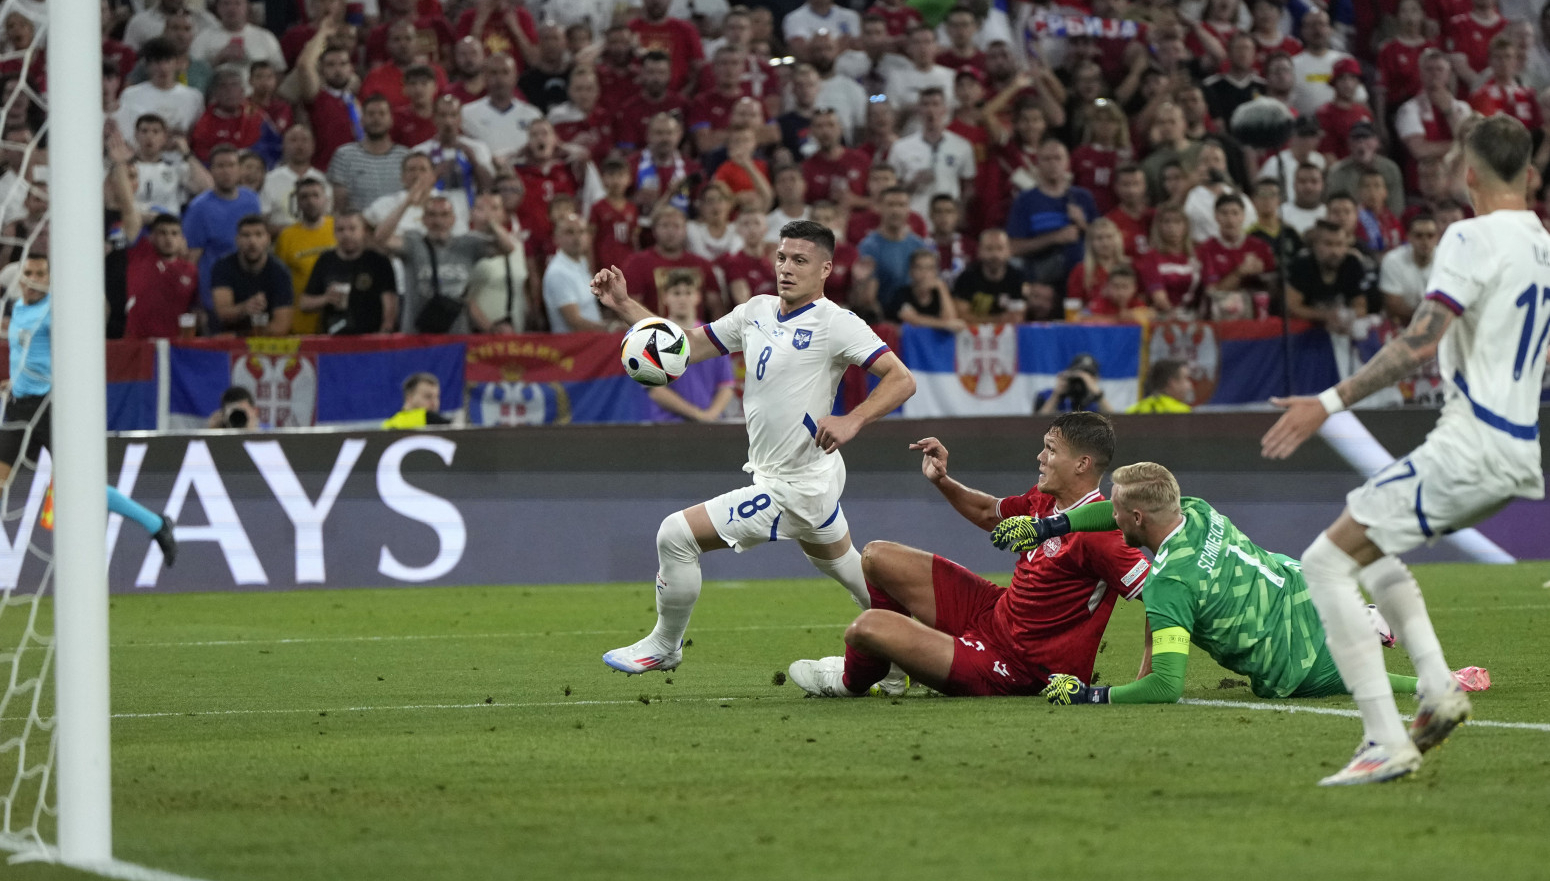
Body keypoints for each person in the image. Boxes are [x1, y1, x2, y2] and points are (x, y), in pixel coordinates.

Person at [1261, 114, 1548, 785]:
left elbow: (1420, 339)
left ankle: (1383, 739)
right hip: (1515, 447)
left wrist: (1326, 403)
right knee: (1368, 540)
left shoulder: (1470, 236)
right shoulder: (1538, 241)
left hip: (1471, 442)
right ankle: (1438, 687)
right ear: (1527, 173)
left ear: (1469, 172)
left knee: (1324, 560)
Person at [590, 220, 918, 678]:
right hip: (803, 473)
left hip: (795, 484)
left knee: (675, 535)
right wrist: (626, 306)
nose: (786, 268)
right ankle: (915, 651)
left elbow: (902, 379)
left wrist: (853, 418)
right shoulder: (756, 311)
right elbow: (683, 348)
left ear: (825, 269)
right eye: (782, 257)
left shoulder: (836, 323)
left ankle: (665, 645)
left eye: (800, 261)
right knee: (846, 566)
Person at [988, 463, 1488, 706]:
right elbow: (1118, 511)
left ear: (1137, 516)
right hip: (1305, 592)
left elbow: (1165, 686)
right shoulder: (1199, 510)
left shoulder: (1167, 586)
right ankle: (1368, 620)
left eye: (1116, 509)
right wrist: (1050, 525)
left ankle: (1442, 679)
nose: (1108, 513)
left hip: (1297, 662)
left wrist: (1083, 696)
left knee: (1374, 681)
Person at [785, 414, 1149, 698]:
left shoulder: (1103, 534)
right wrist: (942, 479)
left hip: (1018, 667)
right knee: (877, 556)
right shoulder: (1045, 500)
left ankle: (851, 682)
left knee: (866, 628)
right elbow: (990, 512)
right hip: (995, 614)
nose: (1040, 457)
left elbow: (1162, 591)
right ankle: (892, 676)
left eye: (1051, 450)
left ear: (1082, 464)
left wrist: (1147, 677)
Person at [0, 254, 178, 564]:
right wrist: (12, 381)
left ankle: (156, 524)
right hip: (18, 408)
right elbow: (26, 355)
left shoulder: (57, 311)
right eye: (28, 272)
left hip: (51, 408)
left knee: (80, 487)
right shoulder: (17, 309)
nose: (32, 278)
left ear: (50, 277)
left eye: (40, 273)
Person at [644, 270, 736, 424]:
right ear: (665, 297)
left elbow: (726, 385)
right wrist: (699, 415)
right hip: (668, 427)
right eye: (676, 293)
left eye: (688, 292)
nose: (682, 298)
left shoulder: (712, 336)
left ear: (697, 297)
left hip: (709, 427)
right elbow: (656, 390)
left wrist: (711, 415)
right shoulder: (654, 337)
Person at [182, 144, 262, 310]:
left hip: (249, 290)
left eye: (231, 165)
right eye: (220, 166)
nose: (226, 171)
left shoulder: (252, 200)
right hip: (213, 295)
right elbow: (191, 258)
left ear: (239, 169)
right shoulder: (199, 208)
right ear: (211, 170)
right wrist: (195, 304)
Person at [300, 210, 398, 335]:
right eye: (340, 230)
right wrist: (325, 299)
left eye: (352, 229)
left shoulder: (378, 261)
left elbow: (390, 304)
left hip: (370, 339)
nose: (346, 234)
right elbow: (304, 303)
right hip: (334, 340)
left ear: (363, 231)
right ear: (334, 233)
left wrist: (384, 332)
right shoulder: (325, 260)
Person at [210, 214, 293, 336]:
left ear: (268, 239)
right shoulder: (223, 267)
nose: (252, 241)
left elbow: (281, 326)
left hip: (265, 343)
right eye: (246, 235)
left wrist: (242, 336)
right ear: (237, 240)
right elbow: (222, 313)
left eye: (258, 235)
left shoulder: (280, 272)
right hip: (226, 340)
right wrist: (244, 308)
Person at [273, 178, 335, 334]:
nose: (311, 201)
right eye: (305, 197)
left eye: (315, 195)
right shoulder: (287, 236)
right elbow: (279, 283)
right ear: (298, 202)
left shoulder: (338, 229)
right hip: (299, 321)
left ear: (325, 200)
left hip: (335, 318)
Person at [1284, 219, 1372, 330]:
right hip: (1304, 333)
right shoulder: (1302, 264)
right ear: (1315, 245)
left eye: (1340, 244)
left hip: (1342, 329)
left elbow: (1361, 306)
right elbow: (1291, 308)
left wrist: (1346, 316)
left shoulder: (1352, 264)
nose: (1335, 251)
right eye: (1328, 244)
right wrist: (1325, 316)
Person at [123, 213, 200, 339]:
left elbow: (195, 309)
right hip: (140, 343)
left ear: (182, 239)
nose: (169, 239)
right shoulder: (140, 255)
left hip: (175, 346)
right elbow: (129, 214)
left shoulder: (190, 270)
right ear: (152, 237)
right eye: (162, 233)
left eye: (174, 233)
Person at [544, 211, 607, 332]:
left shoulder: (581, 262)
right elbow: (575, 322)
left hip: (591, 342)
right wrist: (609, 329)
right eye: (570, 232)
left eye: (581, 232)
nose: (577, 237)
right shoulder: (558, 272)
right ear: (556, 238)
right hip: (574, 347)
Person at [952, 228, 1026, 323]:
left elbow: (1017, 317)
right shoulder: (967, 277)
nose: (995, 255)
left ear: (1008, 251)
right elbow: (961, 316)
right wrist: (997, 320)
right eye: (989, 249)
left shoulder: (1016, 277)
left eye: (1000, 248)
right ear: (979, 251)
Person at [1378, 211, 1440, 324]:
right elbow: (1394, 306)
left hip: (1438, 324)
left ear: (1437, 238)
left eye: (1430, 236)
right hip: (1402, 323)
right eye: (1419, 235)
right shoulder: (1392, 260)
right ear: (1409, 237)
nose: (1425, 241)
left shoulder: (1446, 259)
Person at [1036, 353, 1114, 415]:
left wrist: (1098, 395)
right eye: (1078, 373)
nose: (1083, 379)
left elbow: (1116, 422)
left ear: (1096, 379)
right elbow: (1036, 424)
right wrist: (1056, 395)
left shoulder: (1098, 400)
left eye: (1089, 375)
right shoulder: (1047, 395)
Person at [382, 372, 450, 428]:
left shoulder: (388, 424)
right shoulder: (427, 417)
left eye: (437, 397)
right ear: (409, 398)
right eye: (428, 397)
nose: (434, 403)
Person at [1126, 360, 1194, 413]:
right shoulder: (1183, 413)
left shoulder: (1133, 411)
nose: (1190, 385)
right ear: (1172, 383)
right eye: (1186, 379)